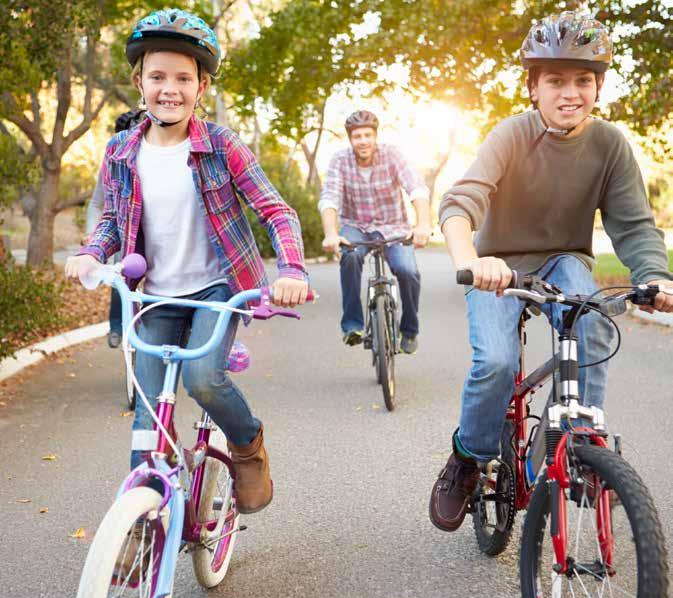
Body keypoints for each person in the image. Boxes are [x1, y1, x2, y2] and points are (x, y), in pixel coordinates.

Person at [428, 11, 673, 533]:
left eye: (583, 79)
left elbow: (635, 227)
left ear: (599, 85)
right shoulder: (511, 134)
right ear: (533, 87)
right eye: (555, 80)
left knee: (594, 321)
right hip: (498, 266)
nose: (570, 92)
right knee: (495, 362)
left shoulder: (609, 145)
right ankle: (467, 459)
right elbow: (460, 203)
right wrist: (470, 261)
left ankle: (580, 443)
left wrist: (656, 277)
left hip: (566, 260)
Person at [65, 8, 309, 518]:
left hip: (218, 289)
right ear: (139, 82)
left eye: (183, 78)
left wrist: (291, 270)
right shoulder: (119, 151)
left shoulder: (222, 146)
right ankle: (141, 525)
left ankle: (247, 443)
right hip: (155, 296)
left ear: (201, 86)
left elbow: (276, 211)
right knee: (147, 414)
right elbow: (112, 221)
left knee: (202, 378)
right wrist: (91, 252)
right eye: (157, 77)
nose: (169, 88)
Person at [318, 110, 432, 354]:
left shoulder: (392, 155)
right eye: (357, 136)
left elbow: (416, 188)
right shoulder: (340, 160)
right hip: (356, 226)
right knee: (349, 256)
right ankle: (352, 326)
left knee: (407, 271)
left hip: (393, 228)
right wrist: (330, 233)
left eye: (368, 135)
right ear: (350, 139)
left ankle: (409, 330)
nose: (363, 140)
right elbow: (329, 197)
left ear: (375, 136)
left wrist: (423, 224)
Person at [86, 109, 145, 348]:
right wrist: (91, 237)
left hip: (158, 240)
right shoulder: (112, 164)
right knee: (120, 277)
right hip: (125, 236)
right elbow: (97, 203)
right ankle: (116, 327)